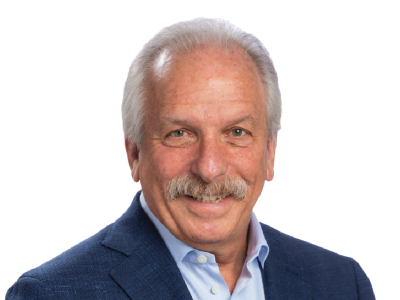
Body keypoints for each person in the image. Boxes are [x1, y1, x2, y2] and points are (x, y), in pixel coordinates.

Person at [6, 18, 375, 300]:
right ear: (134, 153)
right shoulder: (51, 294)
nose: (209, 167)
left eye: (237, 133)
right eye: (180, 134)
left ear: (269, 152)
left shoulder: (342, 284)